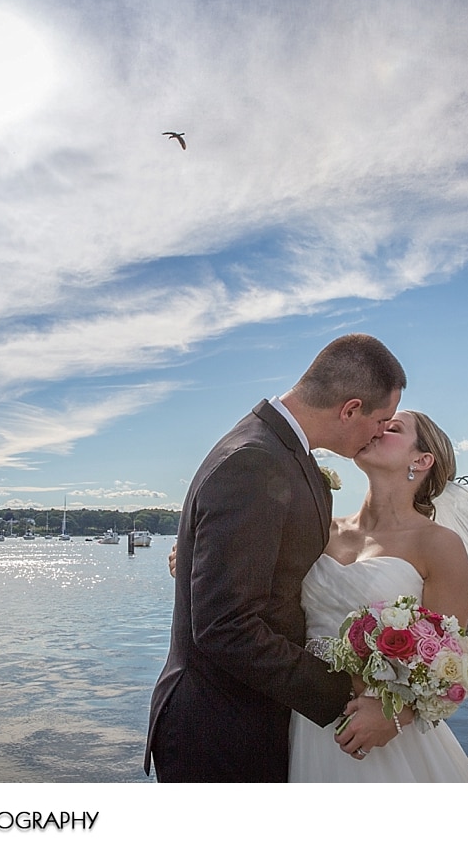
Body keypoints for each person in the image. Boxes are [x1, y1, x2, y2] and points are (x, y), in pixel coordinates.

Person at [144, 334, 408, 782]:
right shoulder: (253, 460)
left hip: (255, 716)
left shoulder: (280, 451)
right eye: (380, 420)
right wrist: (345, 689)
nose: (381, 431)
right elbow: (224, 626)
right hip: (218, 729)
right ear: (350, 409)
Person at [288, 409, 468, 782]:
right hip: (305, 715)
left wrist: (395, 715)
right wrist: (204, 557)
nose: (376, 429)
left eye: (392, 428)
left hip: (384, 732)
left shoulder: (438, 545)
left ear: (421, 460)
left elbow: (450, 659)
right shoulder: (321, 529)